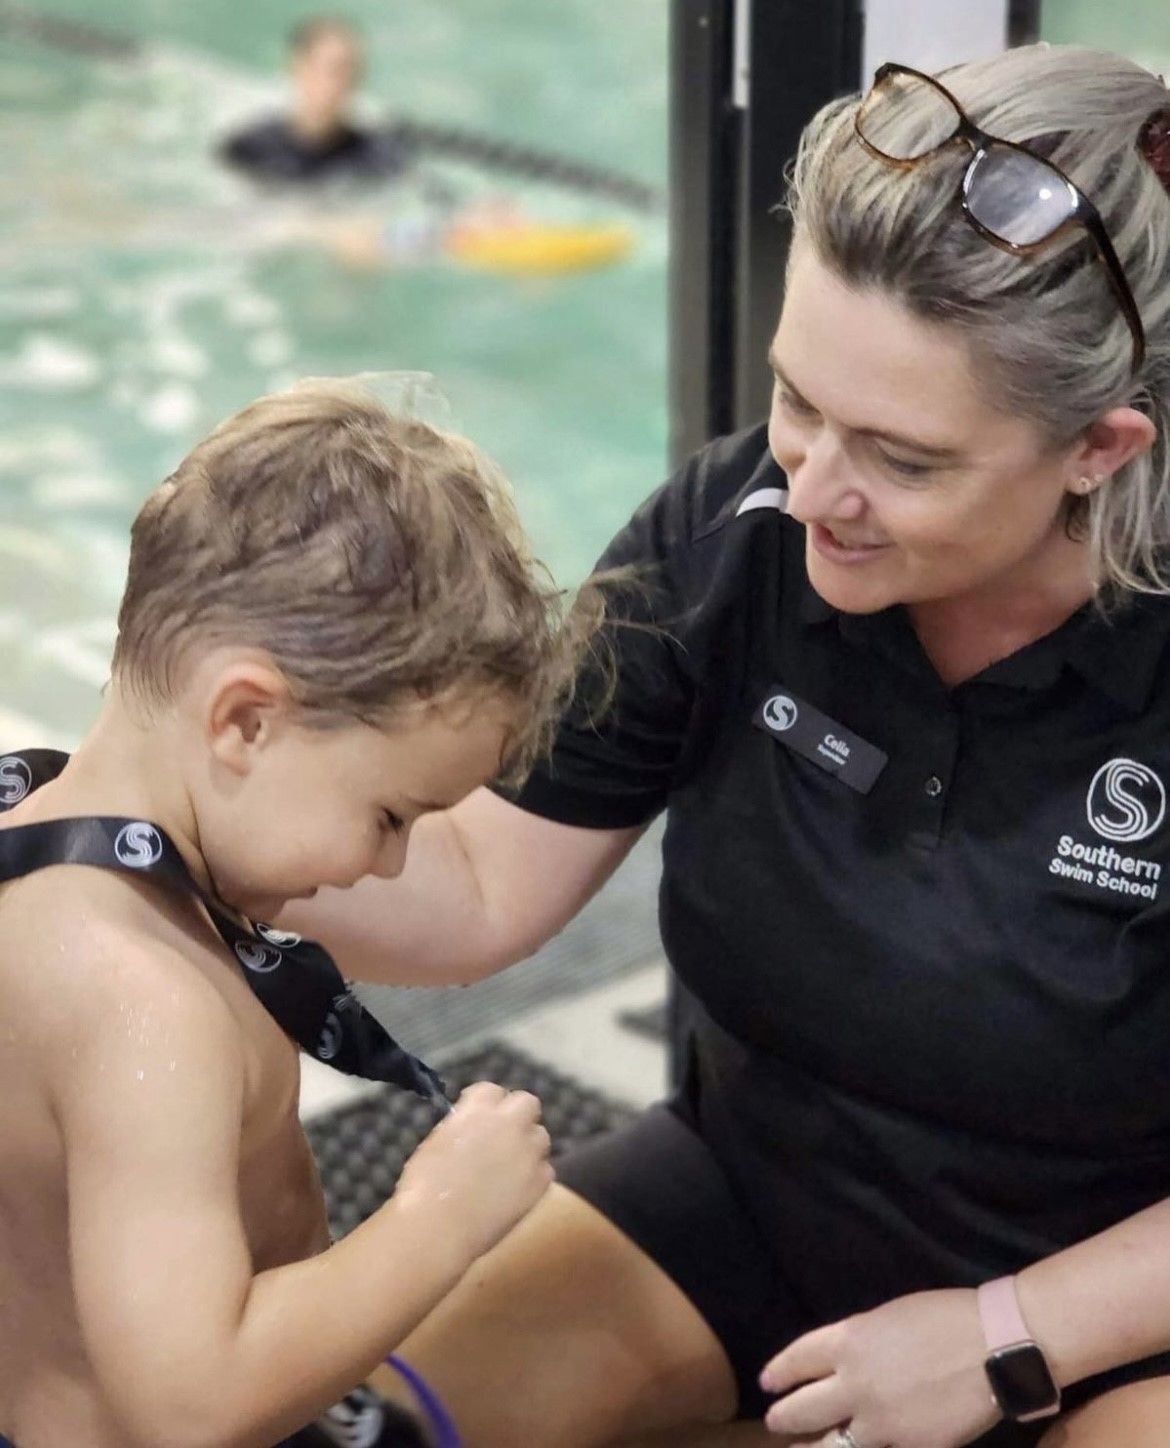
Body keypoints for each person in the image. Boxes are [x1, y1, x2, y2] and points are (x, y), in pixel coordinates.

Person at [282, 42, 1170, 1448]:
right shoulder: (737, 528)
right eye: (797, 399)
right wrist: (147, 845)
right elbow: (478, 879)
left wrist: (1006, 1343)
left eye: (903, 456)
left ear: (1098, 450)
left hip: (1117, 1324)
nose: (814, 489)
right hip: (754, 1204)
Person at [0, 380, 604, 1447]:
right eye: (388, 813)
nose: (390, 863)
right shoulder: (148, 999)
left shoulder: (33, 838)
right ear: (244, 719)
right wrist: (438, 1221)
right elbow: (192, 1402)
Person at [220, 18, 413, 185]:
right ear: (298, 67)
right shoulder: (249, 149)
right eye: (333, 69)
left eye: (353, 71)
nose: (343, 82)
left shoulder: (377, 157)